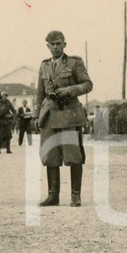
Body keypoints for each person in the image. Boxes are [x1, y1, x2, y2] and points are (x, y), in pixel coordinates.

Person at [35, 30, 93, 207]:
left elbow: (88, 85)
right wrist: (38, 117)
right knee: (50, 156)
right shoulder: (44, 66)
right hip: (49, 115)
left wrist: (69, 91)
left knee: (73, 155)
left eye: (58, 43)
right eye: (51, 44)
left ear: (64, 44)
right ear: (47, 46)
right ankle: (53, 195)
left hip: (69, 114)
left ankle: (75, 195)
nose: (55, 47)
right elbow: (39, 94)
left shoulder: (75, 63)